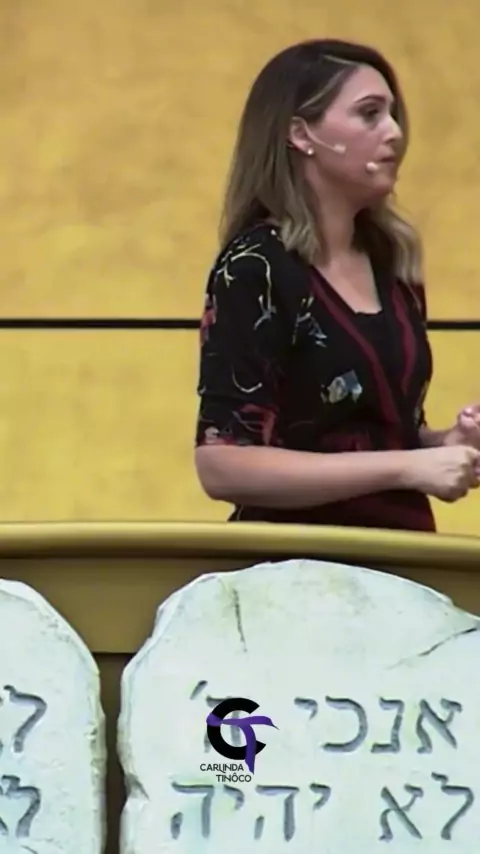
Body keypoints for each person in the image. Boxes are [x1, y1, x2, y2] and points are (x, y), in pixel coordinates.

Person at [194, 38, 480, 531]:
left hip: (401, 555)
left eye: (393, 114)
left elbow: (377, 438)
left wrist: (444, 444)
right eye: (370, 114)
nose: (395, 133)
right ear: (301, 134)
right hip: (295, 562)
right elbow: (223, 463)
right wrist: (408, 466)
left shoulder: (393, 264)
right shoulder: (256, 267)